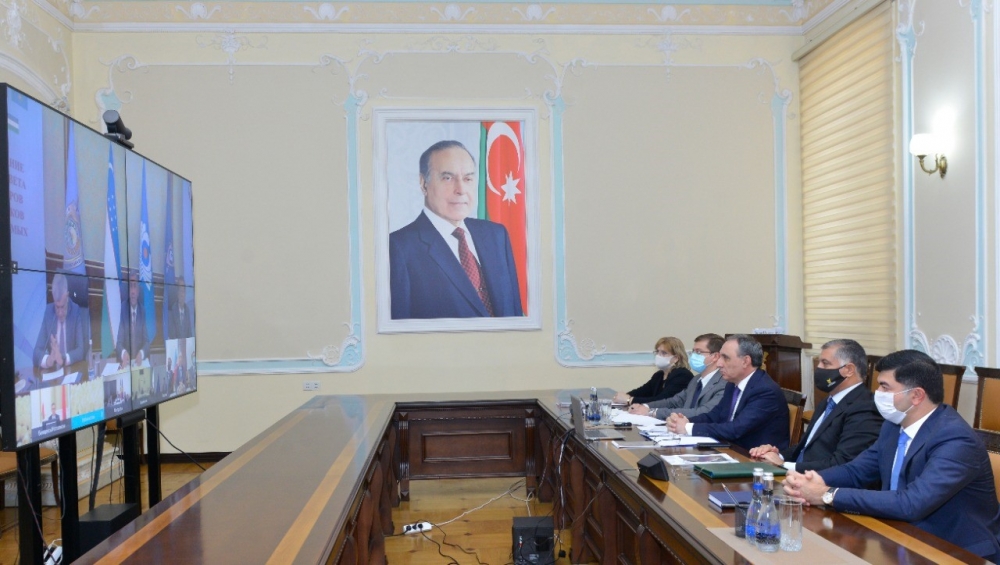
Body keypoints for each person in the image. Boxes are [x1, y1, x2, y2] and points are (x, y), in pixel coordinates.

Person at [782, 350, 1000, 563]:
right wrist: (812, 481)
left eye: (885, 387)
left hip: (954, 551)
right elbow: (856, 471)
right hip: (900, 536)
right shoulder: (893, 426)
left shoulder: (956, 439)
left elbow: (911, 503)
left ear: (916, 395)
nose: (877, 392)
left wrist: (827, 495)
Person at [389, 140, 523, 319]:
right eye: (448, 178)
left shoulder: (496, 235)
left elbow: (514, 315)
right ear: (423, 183)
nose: (461, 189)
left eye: (468, 179)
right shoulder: (398, 248)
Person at [749, 338, 882, 472]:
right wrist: (776, 455)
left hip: (821, 481)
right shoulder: (829, 400)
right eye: (819, 362)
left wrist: (783, 465)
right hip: (800, 475)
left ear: (849, 370)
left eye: (825, 363)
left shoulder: (865, 408)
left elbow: (842, 463)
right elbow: (806, 448)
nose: (818, 368)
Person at [665, 334, 789, 451]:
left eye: (725, 358)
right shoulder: (732, 384)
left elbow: (736, 429)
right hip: (731, 449)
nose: (719, 364)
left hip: (754, 457)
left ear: (745, 361)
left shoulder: (765, 390)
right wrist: (684, 421)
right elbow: (713, 416)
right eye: (720, 357)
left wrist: (688, 427)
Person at [627, 333, 727, 419]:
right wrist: (645, 406)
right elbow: (674, 402)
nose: (693, 355)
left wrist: (653, 412)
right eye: (693, 351)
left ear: (715, 356)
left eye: (698, 352)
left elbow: (702, 411)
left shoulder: (724, 383)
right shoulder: (696, 379)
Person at [613, 337, 694, 406]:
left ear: (676, 358)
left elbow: (662, 400)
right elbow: (642, 391)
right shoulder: (659, 375)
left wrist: (629, 400)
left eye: (664, 353)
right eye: (657, 352)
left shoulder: (683, 375)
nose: (659, 356)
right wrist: (623, 396)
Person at [32, 273, 87, 372]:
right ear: (53, 297)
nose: (60, 313)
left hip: (71, 371)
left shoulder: (76, 311)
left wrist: (63, 358)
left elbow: (80, 350)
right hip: (54, 372)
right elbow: (36, 353)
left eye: (63, 307)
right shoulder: (49, 312)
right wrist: (49, 360)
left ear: (67, 296)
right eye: (57, 307)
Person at [116, 275, 149, 367]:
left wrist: (141, 353)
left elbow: (147, 342)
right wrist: (123, 353)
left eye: (135, 287)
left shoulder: (142, 311)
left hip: (139, 363)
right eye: (131, 287)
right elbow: (119, 343)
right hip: (127, 363)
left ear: (138, 292)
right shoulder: (123, 309)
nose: (133, 291)